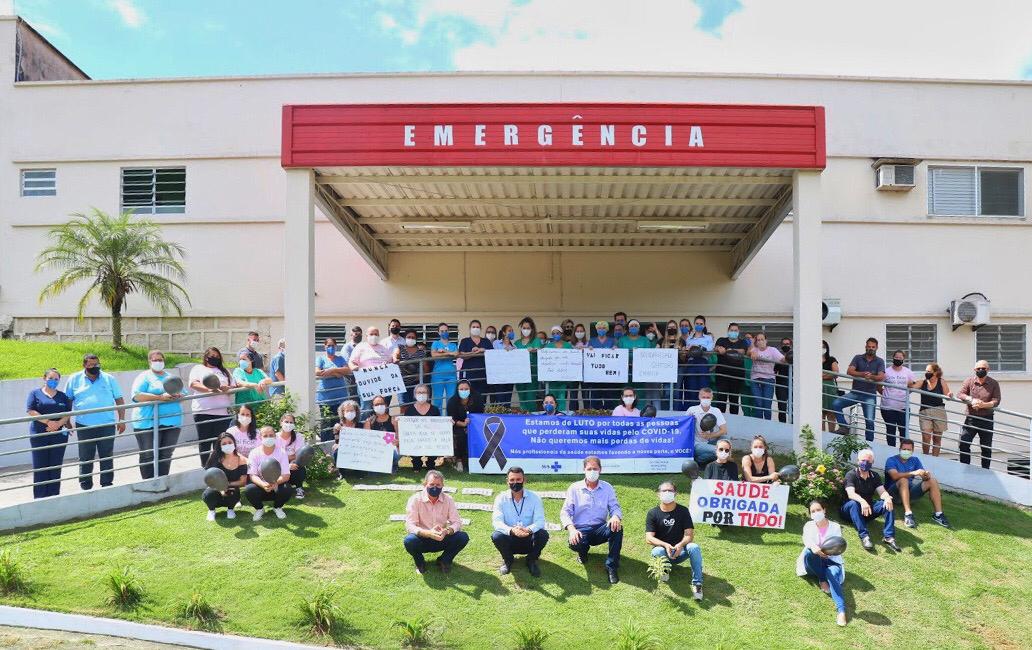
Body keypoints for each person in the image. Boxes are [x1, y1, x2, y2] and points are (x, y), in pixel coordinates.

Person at [64, 354, 125, 491]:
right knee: (85, 457)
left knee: (106, 455)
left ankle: (107, 484)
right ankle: (85, 486)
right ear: (84, 365)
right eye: (90, 365)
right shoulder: (74, 379)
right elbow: (68, 401)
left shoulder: (109, 379)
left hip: (107, 424)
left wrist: (121, 419)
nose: (94, 367)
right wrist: (67, 421)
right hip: (84, 425)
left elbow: (119, 400)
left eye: (96, 364)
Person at [561, 456, 623, 584]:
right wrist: (572, 530)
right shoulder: (574, 488)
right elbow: (565, 512)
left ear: (600, 470)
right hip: (580, 530)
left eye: (595, 469)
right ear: (584, 470)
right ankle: (582, 554)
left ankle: (611, 566)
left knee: (617, 528)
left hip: (600, 528)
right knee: (575, 543)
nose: (592, 471)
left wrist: (615, 516)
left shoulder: (607, 487)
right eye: (589, 469)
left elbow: (615, 507)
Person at [130, 350, 185, 479]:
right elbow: (137, 396)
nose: (158, 362)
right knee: (148, 455)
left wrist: (178, 395)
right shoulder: (144, 377)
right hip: (147, 422)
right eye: (155, 360)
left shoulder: (170, 377)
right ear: (149, 362)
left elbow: (184, 393)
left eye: (160, 360)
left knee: (166, 454)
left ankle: (162, 482)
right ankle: (148, 483)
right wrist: (159, 397)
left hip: (172, 422)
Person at [645, 481, 703, 599]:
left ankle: (697, 583)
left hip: (680, 551)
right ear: (658, 493)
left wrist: (680, 545)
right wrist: (666, 545)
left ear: (675, 493)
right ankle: (664, 570)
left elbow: (689, 535)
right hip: (663, 553)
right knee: (657, 551)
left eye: (670, 490)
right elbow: (649, 538)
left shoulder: (683, 511)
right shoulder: (652, 513)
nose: (667, 493)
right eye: (664, 490)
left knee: (694, 547)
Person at [403, 470, 469, 574]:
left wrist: (446, 531)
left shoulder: (448, 499)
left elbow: (457, 522)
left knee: (462, 537)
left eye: (438, 485)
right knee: (409, 541)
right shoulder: (415, 499)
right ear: (425, 484)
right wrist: (428, 533)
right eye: (432, 484)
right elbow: (410, 525)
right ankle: (420, 563)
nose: (435, 487)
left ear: (443, 485)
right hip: (422, 538)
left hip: (441, 537)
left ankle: (444, 560)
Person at [796, 500, 847, 626]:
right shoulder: (808, 525)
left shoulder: (835, 526)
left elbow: (838, 545)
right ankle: (822, 579)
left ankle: (841, 611)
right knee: (809, 552)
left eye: (818, 510)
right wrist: (814, 548)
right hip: (813, 562)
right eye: (813, 511)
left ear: (824, 510)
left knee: (832, 573)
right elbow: (806, 539)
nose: (816, 513)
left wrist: (828, 553)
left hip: (831, 561)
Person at [491, 467, 548, 576]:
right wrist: (512, 530)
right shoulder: (500, 498)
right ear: (507, 481)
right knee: (497, 536)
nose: (515, 483)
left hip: (528, 537)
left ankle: (531, 560)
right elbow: (497, 522)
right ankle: (508, 560)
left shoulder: (535, 498)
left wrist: (528, 529)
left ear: (524, 480)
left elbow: (540, 521)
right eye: (512, 480)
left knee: (543, 534)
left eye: (518, 479)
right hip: (510, 537)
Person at [840, 449, 899, 552]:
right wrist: (862, 501)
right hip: (849, 510)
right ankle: (864, 537)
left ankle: (889, 537)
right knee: (854, 503)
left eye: (868, 461)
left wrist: (887, 497)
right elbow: (851, 494)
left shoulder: (875, 476)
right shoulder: (851, 474)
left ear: (872, 462)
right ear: (858, 461)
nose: (865, 463)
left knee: (886, 503)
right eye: (863, 460)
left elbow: (882, 492)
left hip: (867, 510)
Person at [26, 368, 72, 499]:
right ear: (44, 378)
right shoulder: (35, 393)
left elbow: (68, 413)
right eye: (50, 378)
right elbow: (31, 411)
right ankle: (40, 497)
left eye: (56, 379)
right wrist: (48, 422)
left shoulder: (63, 396)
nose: (53, 381)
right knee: (40, 466)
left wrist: (58, 424)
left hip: (58, 436)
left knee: (55, 465)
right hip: (39, 435)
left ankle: (54, 496)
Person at [884, 439, 951, 529]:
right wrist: (913, 473)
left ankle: (938, 514)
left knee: (932, 481)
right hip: (893, 495)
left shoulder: (915, 460)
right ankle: (908, 514)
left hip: (908, 493)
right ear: (899, 449)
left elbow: (923, 477)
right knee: (903, 480)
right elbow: (894, 476)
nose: (906, 451)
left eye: (909, 450)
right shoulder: (891, 460)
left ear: (912, 451)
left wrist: (926, 475)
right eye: (904, 449)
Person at [189, 347, 237, 466]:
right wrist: (210, 389)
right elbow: (193, 384)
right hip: (203, 411)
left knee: (220, 442)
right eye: (212, 356)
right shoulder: (198, 368)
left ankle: (219, 466)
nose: (215, 358)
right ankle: (205, 467)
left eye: (217, 356)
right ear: (206, 357)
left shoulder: (224, 371)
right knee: (204, 441)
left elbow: (233, 386)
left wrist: (227, 388)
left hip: (223, 413)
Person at [832, 338, 886, 441]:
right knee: (836, 404)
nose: (871, 348)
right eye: (869, 346)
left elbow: (881, 377)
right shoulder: (858, 358)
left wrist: (871, 376)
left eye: (873, 347)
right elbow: (849, 371)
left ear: (877, 348)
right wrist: (863, 374)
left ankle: (869, 444)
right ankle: (844, 427)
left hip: (869, 395)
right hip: (855, 392)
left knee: (869, 421)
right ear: (865, 347)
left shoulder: (880, 361)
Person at [957, 360, 1001, 470]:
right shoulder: (969, 381)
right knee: (964, 443)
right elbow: (960, 394)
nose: (981, 370)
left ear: (988, 369)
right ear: (974, 370)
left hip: (987, 419)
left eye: (983, 368)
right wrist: (971, 400)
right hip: (971, 419)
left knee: (986, 448)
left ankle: (985, 471)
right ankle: (965, 469)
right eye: (978, 368)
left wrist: (983, 405)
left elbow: (996, 401)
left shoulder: (994, 383)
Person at [243, 426, 292, 521]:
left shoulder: (282, 452)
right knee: (249, 489)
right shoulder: (254, 453)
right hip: (261, 486)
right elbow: (252, 475)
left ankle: (277, 507)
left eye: (271, 435)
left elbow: (286, 475)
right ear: (260, 438)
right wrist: (263, 484)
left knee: (287, 489)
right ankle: (259, 509)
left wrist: (275, 483)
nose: (268, 438)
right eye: (265, 436)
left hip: (276, 485)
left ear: (275, 437)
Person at [202, 432, 248, 521]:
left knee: (233, 492)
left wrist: (226, 485)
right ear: (220, 446)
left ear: (234, 443)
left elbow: (243, 482)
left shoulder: (241, 460)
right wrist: (221, 489)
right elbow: (209, 477)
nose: (228, 445)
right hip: (216, 487)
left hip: (232, 488)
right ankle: (211, 510)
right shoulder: (215, 457)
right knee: (208, 494)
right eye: (224, 444)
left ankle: (230, 509)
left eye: (230, 442)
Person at [316, 337, 352, 441]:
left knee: (339, 423)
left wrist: (332, 370)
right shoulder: (321, 359)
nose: (331, 347)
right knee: (326, 424)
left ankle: (338, 444)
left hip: (340, 397)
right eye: (328, 346)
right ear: (325, 347)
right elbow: (317, 372)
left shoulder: (340, 359)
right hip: (325, 398)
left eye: (333, 345)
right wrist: (337, 373)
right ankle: (325, 447)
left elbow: (347, 370)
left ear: (336, 347)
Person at [678, 315, 714, 411]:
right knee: (690, 389)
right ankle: (690, 412)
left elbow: (709, 351)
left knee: (703, 388)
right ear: (694, 325)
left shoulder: (708, 338)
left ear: (704, 325)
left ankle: (704, 411)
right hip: (691, 364)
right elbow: (686, 353)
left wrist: (697, 347)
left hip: (702, 363)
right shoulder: (689, 339)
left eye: (701, 324)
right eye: (697, 323)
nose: (699, 325)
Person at [880, 349, 915, 447]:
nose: (898, 359)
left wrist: (905, 394)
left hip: (903, 407)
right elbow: (878, 385)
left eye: (900, 358)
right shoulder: (886, 371)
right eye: (896, 357)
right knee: (890, 431)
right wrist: (885, 394)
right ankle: (891, 451)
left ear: (904, 359)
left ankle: (903, 452)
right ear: (893, 358)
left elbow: (912, 386)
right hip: (888, 407)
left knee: (903, 432)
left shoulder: (908, 372)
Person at [619, 318, 657, 409]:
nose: (634, 327)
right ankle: (626, 411)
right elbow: (619, 354)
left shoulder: (645, 340)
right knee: (626, 392)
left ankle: (639, 411)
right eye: (632, 326)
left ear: (639, 328)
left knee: (640, 393)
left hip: (640, 371)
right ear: (628, 328)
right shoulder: (622, 340)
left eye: (636, 326)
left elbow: (648, 355)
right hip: (626, 371)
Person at [403, 384, 441, 472]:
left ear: (428, 394)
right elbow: (406, 427)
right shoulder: (409, 410)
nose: (421, 394)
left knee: (436, 441)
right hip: (415, 439)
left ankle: (431, 463)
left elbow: (439, 425)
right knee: (413, 443)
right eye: (419, 392)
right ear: (415, 394)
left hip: (431, 438)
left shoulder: (434, 409)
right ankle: (416, 463)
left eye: (424, 392)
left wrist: (447, 423)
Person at [713, 323, 749, 415]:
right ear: (728, 331)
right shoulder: (721, 340)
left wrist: (728, 350)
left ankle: (734, 421)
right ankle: (720, 420)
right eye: (731, 330)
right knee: (721, 400)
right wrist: (719, 348)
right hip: (722, 376)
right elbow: (716, 348)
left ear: (738, 332)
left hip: (737, 376)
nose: (733, 332)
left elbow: (743, 351)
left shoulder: (743, 342)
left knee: (734, 401)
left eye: (735, 330)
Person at [446, 380, 482, 473]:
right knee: (461, 435)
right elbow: (452, 419)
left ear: (470, 389)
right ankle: (459, 460)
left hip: (474, 426)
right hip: (457, 426)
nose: (464, 391)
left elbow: (480, 415)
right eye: (461, 389)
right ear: (457, 390)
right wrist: (463, 424)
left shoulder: (477, 399)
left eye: (466, 389)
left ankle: (474, 460)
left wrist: (471, 426)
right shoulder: (452, 401)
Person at [917, 363, 951, 456]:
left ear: (935, 372)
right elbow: (911, 386)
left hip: (939, 411)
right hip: (925, 412)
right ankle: (926, 457)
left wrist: (950, 395)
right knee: (926, 436)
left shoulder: (941, 381)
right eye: (926, 371)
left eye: (929, 371)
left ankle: (935, 459)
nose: (926, 373)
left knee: (937, 438)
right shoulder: (923, 382)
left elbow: (947, 395)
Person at [748, 333, 785, 420]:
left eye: (762, 339)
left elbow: (782, 359)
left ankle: (768, 424)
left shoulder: (772, 350)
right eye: (758, 340)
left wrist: (790, 358)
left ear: (766, 340)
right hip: (755, 379)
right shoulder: (754, 349)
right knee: (758, 404)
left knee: (767, 404)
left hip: (769, 379)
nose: (760, 341)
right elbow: (748, 352)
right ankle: (759, 426)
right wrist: (752, 347)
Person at [685, 387, 726, 465]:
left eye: (708, 397)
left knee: (726, 440)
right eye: (703, 397)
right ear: (699, 397)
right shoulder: (692, 410)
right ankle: (699, 460)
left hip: (710, 441)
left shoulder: (716, 410)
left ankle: (701, 459)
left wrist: (710, 435)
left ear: (712, 398)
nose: (706, 399)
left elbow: (724, 430)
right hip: (696, 443)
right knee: (718, 450)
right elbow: (683, 425)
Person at [365, 394, 401, 473]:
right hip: (376, 450)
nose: (379, 406)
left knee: (397, 452)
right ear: (373, 407)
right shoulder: (369, 422)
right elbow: (366, 440)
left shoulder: (393, 419)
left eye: (381, 404)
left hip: (391, 449)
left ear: (386, 405)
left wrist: (397, 442)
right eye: (376, 405)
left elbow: (399, 437)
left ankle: (393, 465)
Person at [542, 325, 574, 412]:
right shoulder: (548, 346)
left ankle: (561, 414)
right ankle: (551, 414)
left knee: (562, 398)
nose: (555, 335)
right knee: (552, 398)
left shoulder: (567, 345)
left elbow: (573, 359)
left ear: (562, 334)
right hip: (552, 379)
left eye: (557, 333)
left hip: (563, 378)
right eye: (553, 333)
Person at [276, 412, 307, 499]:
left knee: (298, 466)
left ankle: (299, 488)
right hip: (278, 467)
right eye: (286, 422)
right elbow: (274, 457)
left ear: (294, 425)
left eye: (291, 422)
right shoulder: (275, 437)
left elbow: (299, 455)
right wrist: (287, 464)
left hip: (293, 465)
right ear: (281, 423)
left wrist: (288, 460)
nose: (288, 424)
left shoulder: (298, 436)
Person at [514, 317, 542, 411]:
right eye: (524, 328)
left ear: (532, 329)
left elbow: (539, 350)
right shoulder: (517, 343)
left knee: (530, 398)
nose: (526, 330)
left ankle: (532, 417)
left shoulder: (536, 340)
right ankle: (524, 416)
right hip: (519, 375)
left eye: (528, 328)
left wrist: (534, 350)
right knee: (522, 398)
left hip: (532, 375)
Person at [586, 320, 616, 409]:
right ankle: (596, 413)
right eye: (599, 328)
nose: (601, 330)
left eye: (603, 328)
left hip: (609, 374)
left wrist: (615, 349)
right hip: (595, 374)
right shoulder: (592, 341)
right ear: (596, 329)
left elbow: (617, 355)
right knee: (595, 396)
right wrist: (589, 349)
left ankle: (609, 412)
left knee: (609, 396)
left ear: (607, 329)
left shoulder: (612, 341)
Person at [395, 329, 429, 406]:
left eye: (413, 337)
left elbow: (426, 368)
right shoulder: (400, 348)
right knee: (403, 405)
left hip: (415, 384)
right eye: (409, 337)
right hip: (401, 383)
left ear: (416, 339)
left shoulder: (421, 352)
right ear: (405, 338)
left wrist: (419, 377)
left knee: (414, 405)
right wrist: (395, 358)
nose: (411, 339)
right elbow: (395, 355)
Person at [430, 323, 459, 411]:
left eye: (446, 331)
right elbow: (434, 355)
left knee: (451, 400)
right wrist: (449, 353)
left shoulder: (453, 345)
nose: (444, 332)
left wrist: (443, 352)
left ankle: (450, 419)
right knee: (437, 400)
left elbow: (456, 354)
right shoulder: (436, 343)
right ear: (438, 332)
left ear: (448, 331)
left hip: (451, 375)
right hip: (438, 375)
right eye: (442, 331)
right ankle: (437, 418)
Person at [458, 319, 489, 399]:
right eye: (473, 327)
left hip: (483, 375)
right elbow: (462, 355)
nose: (475, 328)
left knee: (482, 399)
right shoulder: (465, 341)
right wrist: (474, 353)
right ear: (470, 328)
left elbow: (492, 354)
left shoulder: (486, 341)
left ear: (481, 329)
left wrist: (483, 350)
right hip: (468, 375)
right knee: (468, 398)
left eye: (477, 327)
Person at [331, 400, 361, 478]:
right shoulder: (338, 426)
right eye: (347, 411)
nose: (350, 412)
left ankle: (359, 471)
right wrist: (337, 444)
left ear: (356, 412)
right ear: (343, 412)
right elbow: (337, 441)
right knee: (336, 451)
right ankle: (341, 473)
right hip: (344, 448)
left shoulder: (360, 425)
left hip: (357, 448)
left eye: (352, 410)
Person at [488, 324, 515, 406]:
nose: (512, 332)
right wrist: (504, 351)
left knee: (508, 399)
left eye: (512, 331)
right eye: (509, 331)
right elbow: (492, 356)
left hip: (510, 377)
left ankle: (507, 412)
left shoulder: (514, 347)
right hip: (498, 376)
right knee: (500, 399)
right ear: (503, 332)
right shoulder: (496, 343)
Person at [568, 323, 589, 411]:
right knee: (573, 395)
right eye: (577, 331)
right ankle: (573, 413)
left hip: (585, 372)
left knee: (586, 394)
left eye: (581, 331)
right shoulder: (569, 344)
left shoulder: (588, 343)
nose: (579, 333)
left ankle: (587, 412)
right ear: (574, 332)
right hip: (573, 372)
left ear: (584, 332)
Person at [821, 341, 840, 433]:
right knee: (820, 413)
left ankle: (831, 435)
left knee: (831, 413)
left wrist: (821, 376)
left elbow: (835, 373)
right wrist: (828, 374)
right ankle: (821, 434)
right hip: (818, 389)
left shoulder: (831, 359)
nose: (822, 348)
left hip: (830, 389)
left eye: (823, 347)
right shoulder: (812, 360)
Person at [774, 337, 794, 423]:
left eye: (787, 344)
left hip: (793, 384)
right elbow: (774, 370)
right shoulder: (778, 356)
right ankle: (782, 426)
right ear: (781, 345)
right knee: (782, 407)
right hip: (781, 384)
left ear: (791, 345)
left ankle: (793, 425)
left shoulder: (796, 356)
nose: (785, 346)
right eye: (784, 344)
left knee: (793, 407)